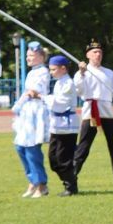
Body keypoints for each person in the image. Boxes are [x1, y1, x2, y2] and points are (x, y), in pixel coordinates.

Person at [73, 40, 113, 185]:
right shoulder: (83, 73)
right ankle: (71, 177)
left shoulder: (109, 73)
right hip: (91, 113)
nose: (98, 54)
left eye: (100, 52)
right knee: (83, 147)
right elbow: (78, 90)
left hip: (107, 113)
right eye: (94, 52)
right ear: (88, 55)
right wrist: (81, 73)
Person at [12, 42, 51, 199]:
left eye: (31, 56)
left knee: (32, 148)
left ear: (41, 57)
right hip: (27, 112)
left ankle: (41, 184)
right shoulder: (31, 72)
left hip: (36, 111)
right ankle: (33, 180)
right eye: (27, 55)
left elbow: (33, 91)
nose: (28, 58)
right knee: (20, 147)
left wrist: (20, 103)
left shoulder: (42, 72)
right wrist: (19, 106)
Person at [45, 55, 81, 196]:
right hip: (57, 126)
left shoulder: (68, 84)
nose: (51, 72)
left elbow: (59, 104)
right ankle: (68, 180)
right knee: (53, 158)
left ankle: (71, 186)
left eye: (53, 69)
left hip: (67, 126)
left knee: (63, 158)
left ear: (63, 68)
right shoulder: (59, 82)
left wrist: (43, 98)